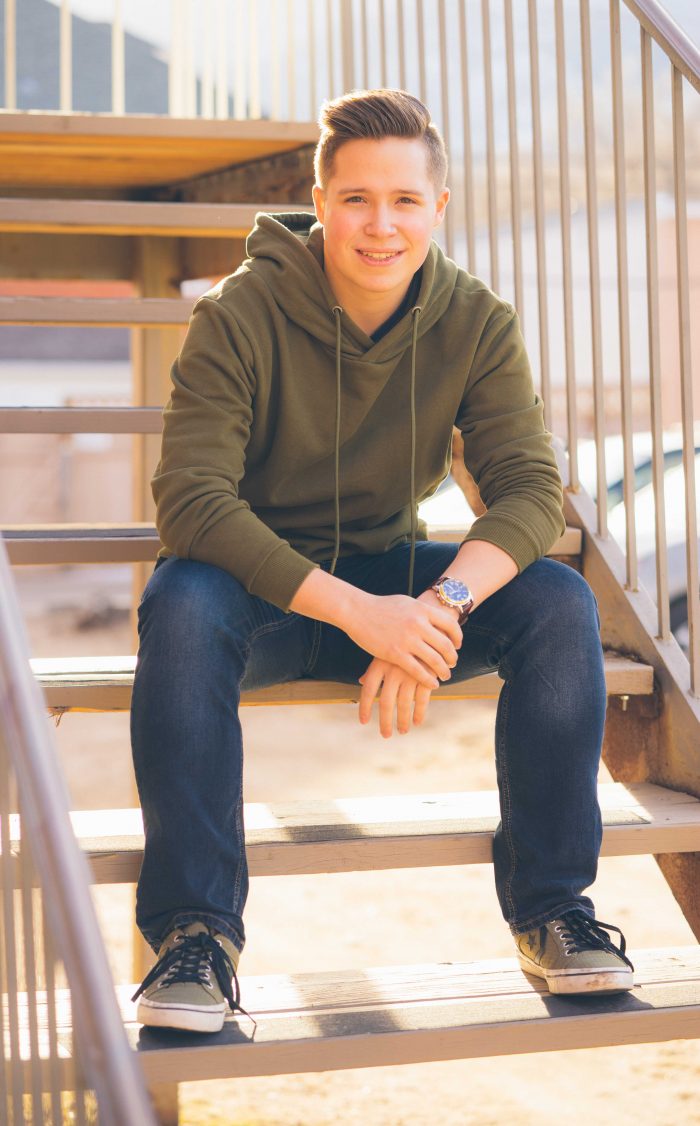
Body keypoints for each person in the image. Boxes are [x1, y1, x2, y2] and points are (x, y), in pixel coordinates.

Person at [130, 88, 634, 1035]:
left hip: (395, 583)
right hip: (257, 601)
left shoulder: (475, 320)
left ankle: (553, 911)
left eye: (404, 200)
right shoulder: (237, 315)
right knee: (182, 602)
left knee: (559, 600)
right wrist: (363, 616)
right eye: (357, 198)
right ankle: (196, 935)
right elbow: (192, 502)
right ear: (320, 202)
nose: (381, 224)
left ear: (438, 208)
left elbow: (530, 490)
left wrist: (437, 609)